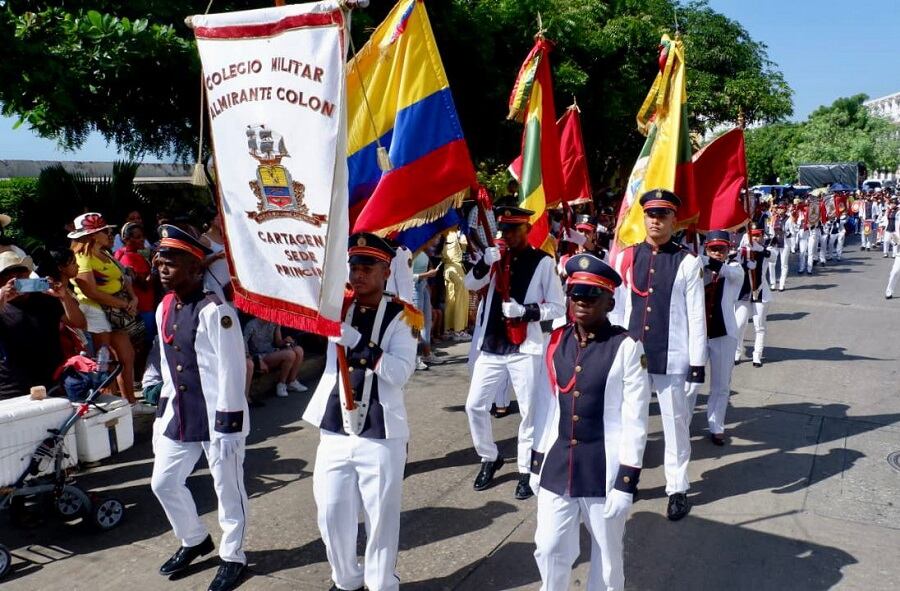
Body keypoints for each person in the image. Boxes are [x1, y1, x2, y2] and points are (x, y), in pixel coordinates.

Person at [302, 232, 418, 591]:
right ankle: (347, 579)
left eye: (368, 266)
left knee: (381, 519)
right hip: (335, 427)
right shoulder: (336, 307)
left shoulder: (405, 316)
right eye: (354, 265)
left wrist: (358, 344)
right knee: (331, 513)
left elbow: (399, 374)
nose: (359, 273)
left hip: (380, 432)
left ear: (386, 271)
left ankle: (382, 583)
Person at [531, 253, 651, 591]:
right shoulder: (555, 341)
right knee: (549, 545)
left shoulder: (627, 347)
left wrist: (627, 478)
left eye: (592, 296)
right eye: (576, 294)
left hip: (603, 466)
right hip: (558, 462)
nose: (582, 302)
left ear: (610, 301)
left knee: (608, 557)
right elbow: (546, 406)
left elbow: (635, 419)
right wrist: (535, 460)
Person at [149, 225, 249, 591]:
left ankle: (233, 554)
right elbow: (165, 364)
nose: (162, 267)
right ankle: (193, 539)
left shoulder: (216, 310)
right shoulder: (164, 307)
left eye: (172, 262)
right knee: (163, 482)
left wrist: (228, 426)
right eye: (160, 260)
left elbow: (232, 371)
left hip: (217, 418)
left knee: (228, 489)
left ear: (195, 267)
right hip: (181, 414)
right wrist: (162, 417)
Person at [609, 189, 707, 521]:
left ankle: (677, 487)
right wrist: (611, 349)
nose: (656, 220)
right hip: (633, 356)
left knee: (675, 424)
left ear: (674, 220)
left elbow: (696, 316)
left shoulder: (688, 262)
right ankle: (627, 478)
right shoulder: (628, 257)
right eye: (651, 214)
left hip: (671, 355)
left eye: (663, 215)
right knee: (631, 421)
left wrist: (696, 362)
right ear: (644, 217)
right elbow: (618, 309)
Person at [464, 206, 566, 500]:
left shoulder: (543, 262)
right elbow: (471, 283)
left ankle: (525, 469)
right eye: (503, 230)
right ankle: (489, 456)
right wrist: (484, 262)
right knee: (474, 406)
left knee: (528, 412)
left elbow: (557, 308)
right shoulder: (496, 257)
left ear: (526, 229)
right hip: (493, 344)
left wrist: (527, 311)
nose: (507, 235)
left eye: (512, 229)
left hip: (524, 346)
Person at [69, 213, 147, 411]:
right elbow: (90, 290)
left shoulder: (105, 253)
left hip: (114, 312)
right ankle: (111, 404)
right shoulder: (83, 257)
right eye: (105, 231)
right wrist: (122, 304)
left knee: (126, 356)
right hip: (96, 313)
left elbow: (122, 277)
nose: (110, 234)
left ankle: (130, 403)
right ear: (93, 234)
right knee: (106, 361)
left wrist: (133, 299)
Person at [0, 251, 86, 400]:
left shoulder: (46, 298)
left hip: (53, 381)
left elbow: (79, 323)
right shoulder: (2, 305)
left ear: (28, 274)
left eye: (21, 272)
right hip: (11, 387)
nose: (16, 279)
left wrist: (64, 297)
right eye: (8, 276)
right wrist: (2, 298)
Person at [699, 231, 743, 445]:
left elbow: (725, 271)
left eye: (721, 249)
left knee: (721, 385)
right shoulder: (698, 267)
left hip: (724, 335)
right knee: (689, 385)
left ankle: (716, 426)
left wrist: (705, 260)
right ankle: (684, 423)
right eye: (712, 249)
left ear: (728, 251)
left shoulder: (735, 269)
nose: (717, 253)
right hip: (698, 333)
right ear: (706, 247)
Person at [115, 222, 157, 367]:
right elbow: (145, 284)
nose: (142, 240)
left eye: (142, 236)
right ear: (127, 239)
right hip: (144, 308)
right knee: (145, 345)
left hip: (142, 307)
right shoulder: (130, 257)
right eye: (137, 237)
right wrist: (155, 267)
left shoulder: (125, 254)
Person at [735, 226, 772, 368]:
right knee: (739, 324)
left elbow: (772, 256)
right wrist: (744, 261)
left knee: (759, 326)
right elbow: (731, 263)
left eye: (757, 236)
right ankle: (737, 353)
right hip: (743, 292)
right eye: (752, 236)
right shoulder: (741, 251)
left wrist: (760, 249)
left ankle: (757, 356)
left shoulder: (766, 250)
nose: (754, 239)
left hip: (760, 292)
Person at [243, 317, 307, 398]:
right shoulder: (251, 325)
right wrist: (253, 358)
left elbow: (278, 342)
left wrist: (286, 341)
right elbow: (243, 342)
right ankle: (281, 384)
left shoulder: (274, 322)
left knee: (299, 350)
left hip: (271, 351)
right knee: (290, 354)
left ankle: (292, 381)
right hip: (259, 356)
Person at [443, 229, 471, 340]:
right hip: (456, 267)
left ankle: (448, 329)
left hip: (447, 268)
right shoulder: (458, 234)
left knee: (451, 299)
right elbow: (465, 245)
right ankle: (458, 330)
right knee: (461, 299)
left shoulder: (445, 233)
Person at [200, 211, 232, 298]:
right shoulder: (204, 240)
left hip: (229, 284)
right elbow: (199, 265)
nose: (223, 219)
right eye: (219, 218)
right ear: (211, 221)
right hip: (214, 283)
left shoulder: (226, 236)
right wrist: (215, 257)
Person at [766, 200, 789, 291]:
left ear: (785, 209)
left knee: (784, 264)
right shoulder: (774, 218)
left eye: (782, 208)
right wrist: (771, 239)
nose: (780, 210)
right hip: (775, 243)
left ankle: (782, 284)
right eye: (779, 208)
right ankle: (773, 283)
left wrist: (785, 232)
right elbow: (771, 230)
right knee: (771, 263)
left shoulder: (789, 218)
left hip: (785, 243)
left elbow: (793, 231)